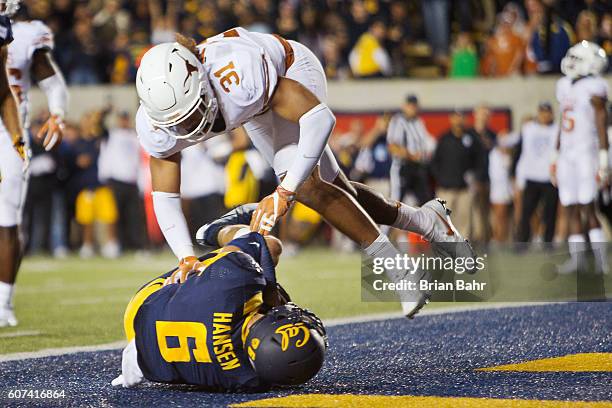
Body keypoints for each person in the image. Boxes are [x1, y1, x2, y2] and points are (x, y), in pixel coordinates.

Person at [135, 28, 476, 318]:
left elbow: (319, 119)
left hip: (290, 70)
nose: (189, 128)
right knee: (343, 195)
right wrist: (186, 257)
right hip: (254, 108)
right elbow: (164, 196)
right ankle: (428, 222)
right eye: (178, 122)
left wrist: (285, 191)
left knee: (308, 187)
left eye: (192, 114)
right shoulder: (158, 123)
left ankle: (398, 271)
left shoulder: (239, 77)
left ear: (202, 82)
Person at [111, 206, 327, 391]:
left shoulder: (235, 281)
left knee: (271, 246)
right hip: (143, 347)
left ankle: (214, 230)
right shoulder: (247, 380)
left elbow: (254, 244)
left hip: (148, 302)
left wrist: (269, 289)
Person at [0, 0, 68, 327]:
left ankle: (3, 302)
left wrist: (56, 114)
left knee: (8, 217)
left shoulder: (23, 32)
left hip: (8, 131)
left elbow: (50, 82)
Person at [551, 41, 609, 274]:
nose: (571, 61)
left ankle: (601, 260)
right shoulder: (563, 84)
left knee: (588, 206)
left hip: (586, 151)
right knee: (570, 207)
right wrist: (554, 156)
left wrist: (603, 161)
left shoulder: (595, 86)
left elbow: (601, 124)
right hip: (567, 153)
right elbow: (560, 123)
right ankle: (577, 259)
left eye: (576, 58)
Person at [431, 111, 479, 237]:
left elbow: (477, 161)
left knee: (464, 222)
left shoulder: (471, 138)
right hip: (446, 189)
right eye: (456, 117)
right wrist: (441, 179)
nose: (458, 120)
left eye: (461, 117)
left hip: (464, 189)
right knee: (444, 223)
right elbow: (434, 162)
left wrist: (474, 178)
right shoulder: (444, 138)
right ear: (451, 119)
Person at [516, 102, 559, 244]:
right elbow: (522, 152)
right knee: (526, 213)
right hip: (532, 177)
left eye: (547, 112)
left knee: (550, 213)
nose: (545, 115)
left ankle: (548, 242)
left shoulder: (557, 129)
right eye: (542, 112)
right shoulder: (528, 128)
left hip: (550, 178)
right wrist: (519, 176)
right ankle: (522, 241)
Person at [387, 95, 434, 206]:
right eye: (410, 106)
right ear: (404, 106)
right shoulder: (398, 121)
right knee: (395, 204)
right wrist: (411, 156)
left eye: (414, 106)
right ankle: (385, 224)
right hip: (402, 167)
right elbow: (393, 147)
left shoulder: (419, 122)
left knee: (426, 203)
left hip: (418, 168)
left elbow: (426, 143)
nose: (413, 108)